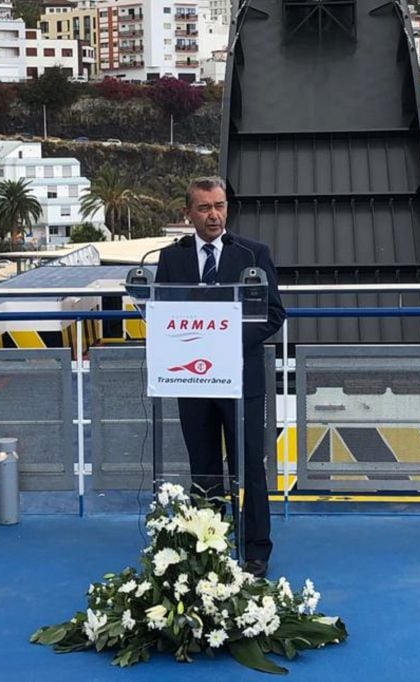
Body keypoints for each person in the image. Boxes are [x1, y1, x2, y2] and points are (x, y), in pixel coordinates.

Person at [154, 176, 285, 578]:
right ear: (188, 213)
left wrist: (224, 340)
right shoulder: (170, 258)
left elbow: (274, 314)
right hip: (192, 384)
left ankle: (256, 551)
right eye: (205, 208)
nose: (214, 215)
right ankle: (208, 544)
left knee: (251, 467)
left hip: (242, 382)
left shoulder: (252, 253)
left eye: (220, 206)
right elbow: (158, 313)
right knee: (204, 467)